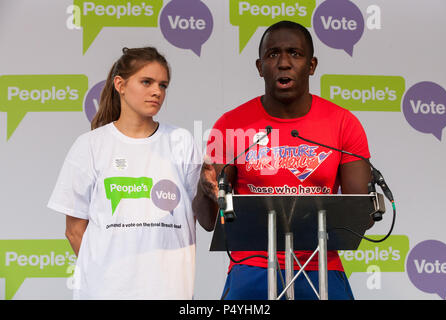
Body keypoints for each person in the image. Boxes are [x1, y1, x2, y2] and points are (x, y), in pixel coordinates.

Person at [192, 21, 372, 300]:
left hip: (320, 266)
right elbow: (206, 220)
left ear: (311, 66)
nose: (284, 63)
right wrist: (206, 191)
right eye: (273, 54)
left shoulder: (343, 124)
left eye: (295, 54)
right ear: (260, 66)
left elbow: (360, 216)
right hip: (252, 268)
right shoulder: (231, 126)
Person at [48, 47, 201, 299]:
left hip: (171, 291)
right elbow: (74, 230)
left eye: (163, 85)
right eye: (146, 82)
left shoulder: (181, 141)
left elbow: (192, 219)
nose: (157, 92)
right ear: (120, 84)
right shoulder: (90, 146)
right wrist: (105, 277)